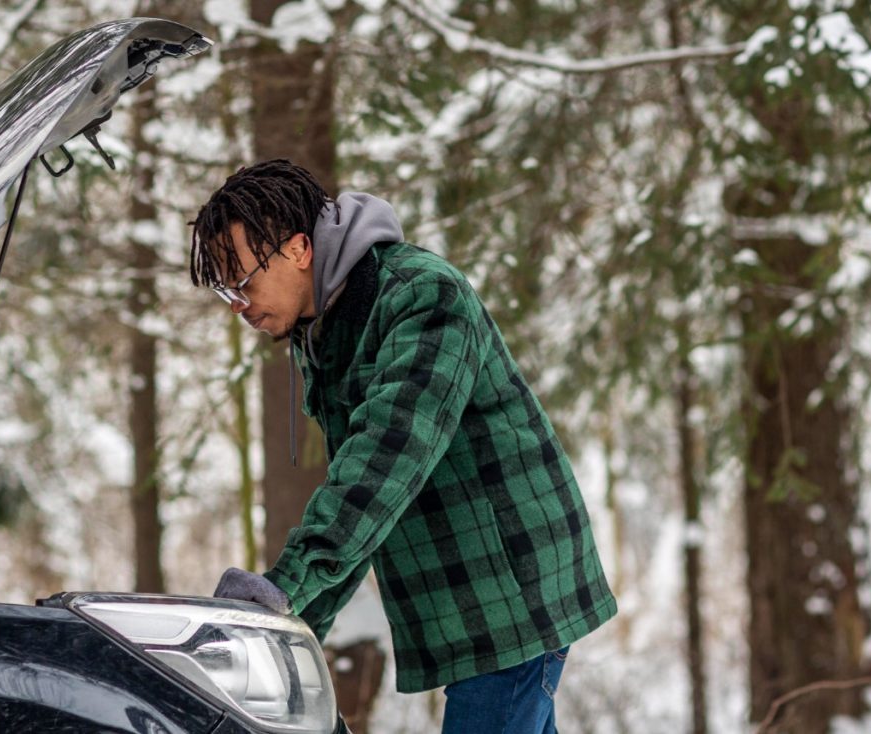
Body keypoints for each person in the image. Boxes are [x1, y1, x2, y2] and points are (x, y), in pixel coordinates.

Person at [188, 159, 616, 733]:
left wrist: (285, 585)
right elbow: (364, 501)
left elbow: (386, 463)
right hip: (464, 600)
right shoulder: (325, 334)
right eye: (224, 291)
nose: (238, 305)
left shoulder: (422, 296)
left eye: (242, 281)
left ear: (297, 250)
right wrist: (289, 620)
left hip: (512, 589)